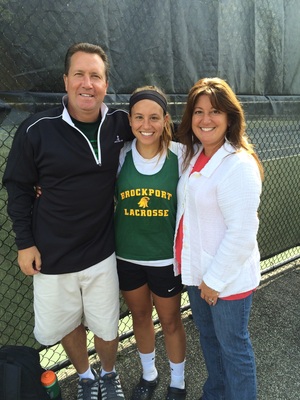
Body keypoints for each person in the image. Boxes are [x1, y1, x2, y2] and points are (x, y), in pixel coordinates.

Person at [3, 42, 134, 400]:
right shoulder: (36, 129)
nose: (87, 84)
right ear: (66, 80)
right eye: (79, 74)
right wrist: (24, 242)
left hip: (101, 251)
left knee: (107, 326)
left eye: (95, 76)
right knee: (67, 325)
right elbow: (18, 187)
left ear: (106, 84)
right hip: (51, 256)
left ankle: (109, 374)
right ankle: (86, 377)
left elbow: (161, 130)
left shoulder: (122, 124)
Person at [174, 77, 264, 400]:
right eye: (198, 112)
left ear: (229, 117)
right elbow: (148, 140)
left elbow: (242, 234)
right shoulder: (194, 154)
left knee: (234, 348)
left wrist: (213, 280)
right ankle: (216, 393)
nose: (206, 119)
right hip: (198, 275)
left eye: (214, 111)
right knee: (210, 342)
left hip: (225, 281)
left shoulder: (238, 164)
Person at [114, 86, 187, 400]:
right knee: (141, 318)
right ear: (130, 121)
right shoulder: (120, 155)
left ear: (166, 119)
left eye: (154, 117)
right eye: (140, 117)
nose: (147, 124)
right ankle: (149, 375)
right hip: (128, 257)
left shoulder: (181, 156)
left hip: (164, 260)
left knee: (170, 321)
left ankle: (179, 381)